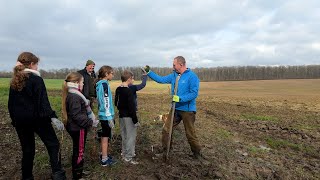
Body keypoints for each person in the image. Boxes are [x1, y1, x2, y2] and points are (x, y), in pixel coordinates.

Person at [8, 52, 66, 180]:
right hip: (38, 119)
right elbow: (43, 102)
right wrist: (53, 117)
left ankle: (27, 177)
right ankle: (57, 174)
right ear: (32, 64)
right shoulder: (36, 79)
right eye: (37, 64)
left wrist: (15, 121)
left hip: (21, 121)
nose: (37, 67)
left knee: (28, 150)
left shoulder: (14, 80)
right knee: (53, 144)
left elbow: (10, 105)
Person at [145, 56, 204, 159]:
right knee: (166, 130)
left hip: (188, 110)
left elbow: (194, 93)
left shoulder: (192, 77)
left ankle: (197, 154)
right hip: (175, 109)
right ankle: (166, 151)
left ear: (181, 64)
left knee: (190, 134)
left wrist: (179, 98)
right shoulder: (174, 75)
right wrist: (149, 72)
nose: (173, 67)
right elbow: (161, 79)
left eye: (174, 65)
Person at [62, 72, 99, 180]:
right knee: (79, 152)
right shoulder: (74, 96)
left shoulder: (75, 94)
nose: (83, 84)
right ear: (76, 83)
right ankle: (77, 176)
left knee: (78, 150)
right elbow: (77, 115)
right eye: (82, 82)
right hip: (78, 128)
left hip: (76, 127)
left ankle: (79, 171)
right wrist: (90, 122)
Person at [115, 70, 140, 165]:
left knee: (124, 136)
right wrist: (135, 120)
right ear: (129, 79)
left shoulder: (118, 89)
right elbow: (132, 107)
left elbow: (116, 103)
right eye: (133, 78)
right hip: (129, 117)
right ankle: (129, 158)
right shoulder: (129, 91)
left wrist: (121, 110)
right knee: (131, 137)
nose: (133, 80)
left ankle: (124, 154)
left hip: (121, 116)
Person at [95, 65, 117, 166]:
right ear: (106, 74)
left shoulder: (101, 84)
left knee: (105, 136)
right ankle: (104, 159)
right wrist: (109, 118)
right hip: (106, 116)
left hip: (103, 115)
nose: (113, 75)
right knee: (105, 137)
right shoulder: (104, 85)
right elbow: (106, 102)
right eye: (111, 73)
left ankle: (104, 154)